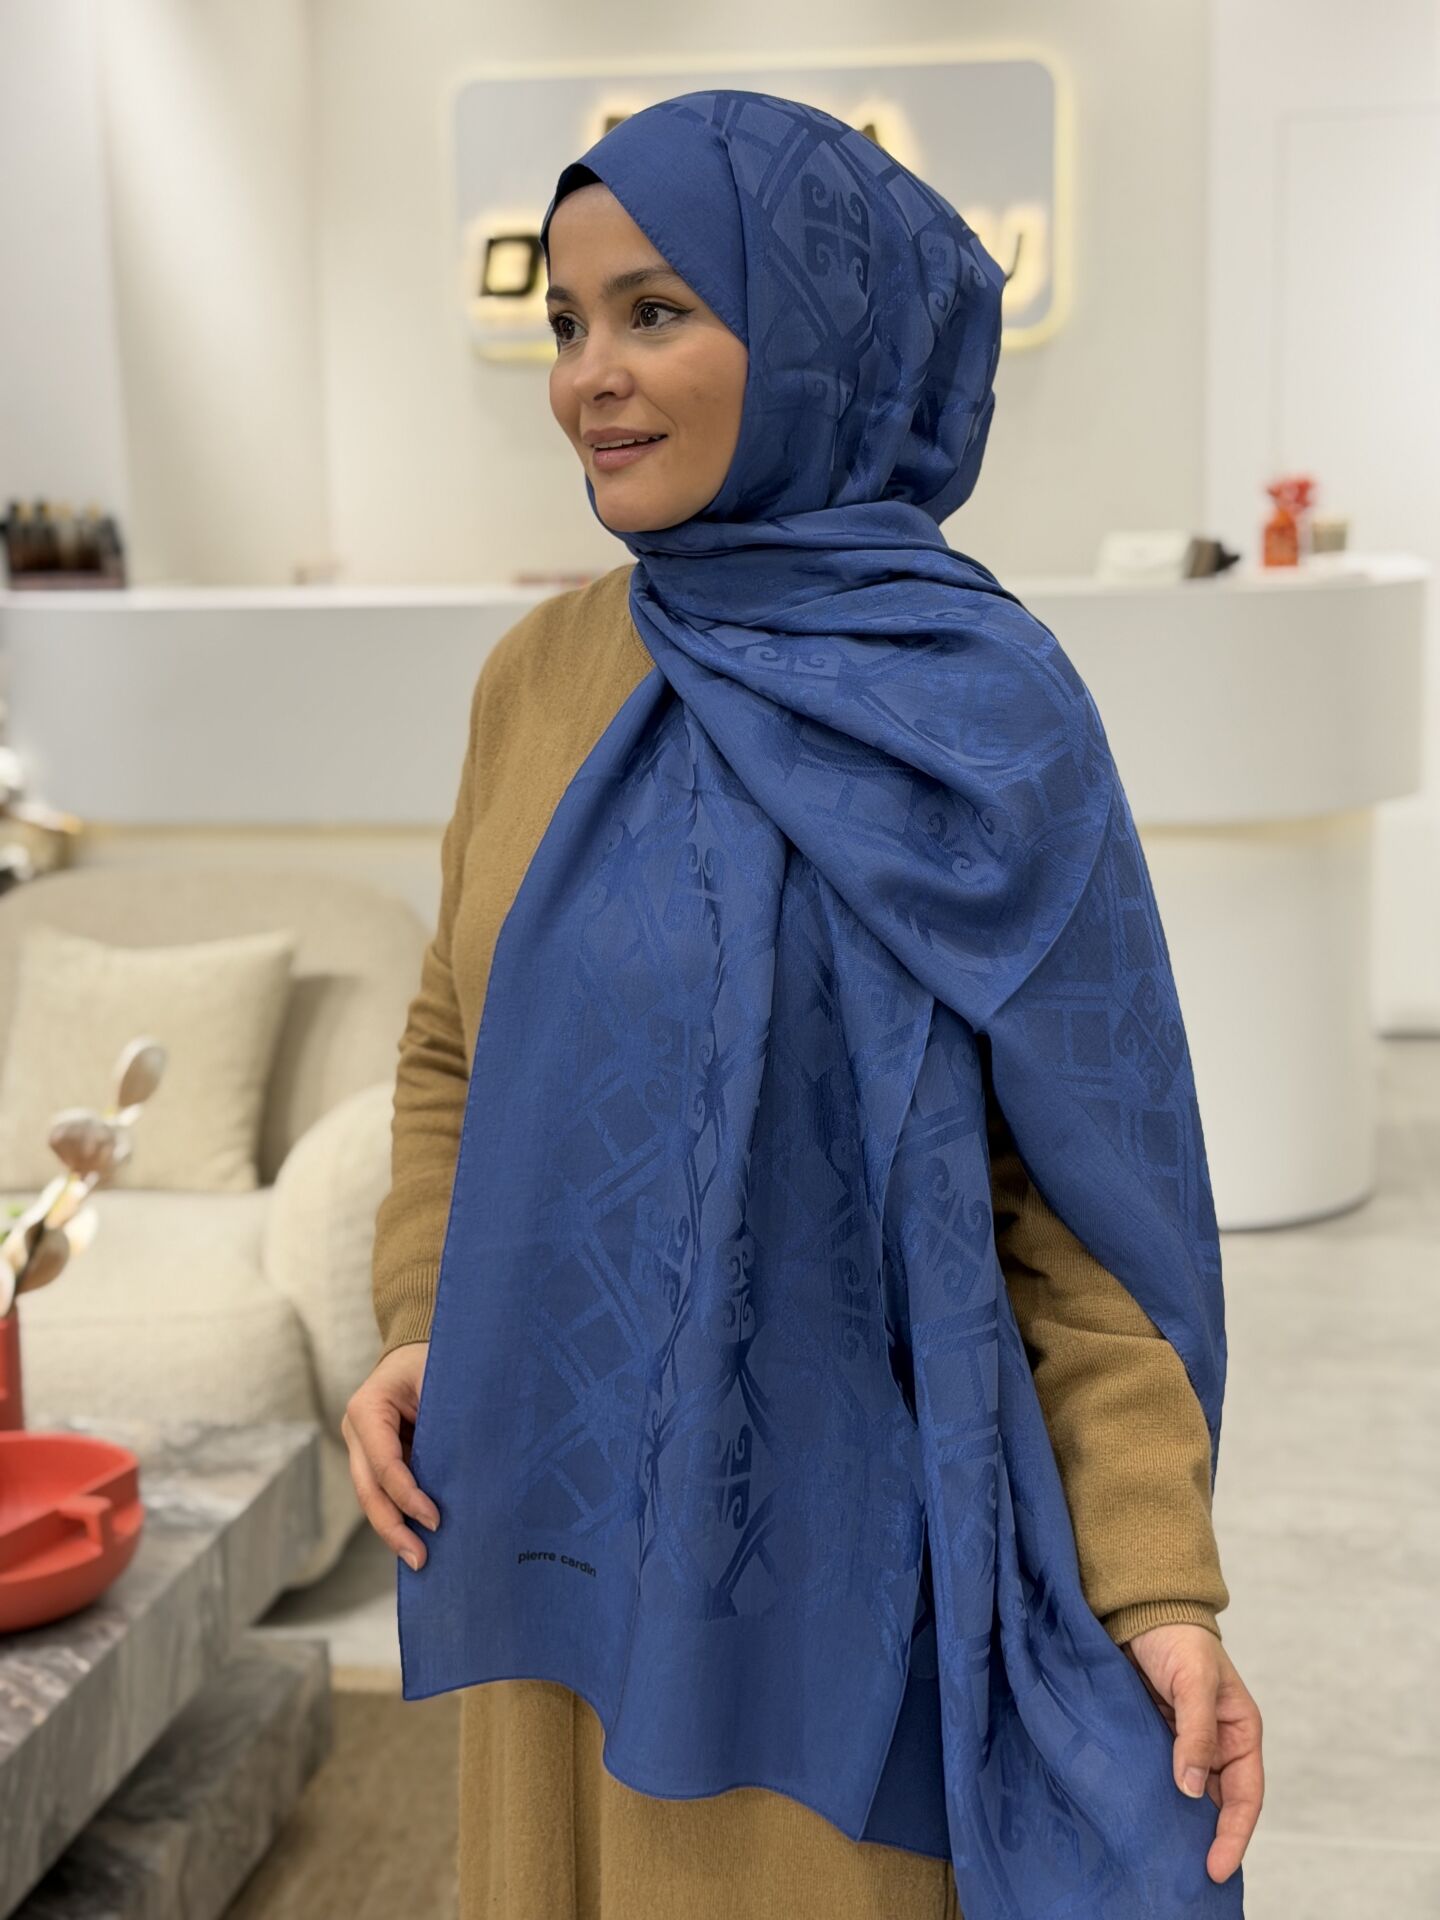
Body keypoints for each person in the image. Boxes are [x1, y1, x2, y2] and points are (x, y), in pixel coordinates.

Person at [344, 91, 1264, 1918]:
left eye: (657, 311)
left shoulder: (981, 712)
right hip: (541, 1527)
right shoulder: (539, 679)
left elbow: (1080, 1203)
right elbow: (455, 1043)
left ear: (824, 336)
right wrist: (415, 1319)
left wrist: (1157, 1577)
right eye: (567, 322)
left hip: (834, 1586)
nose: (590, 378)